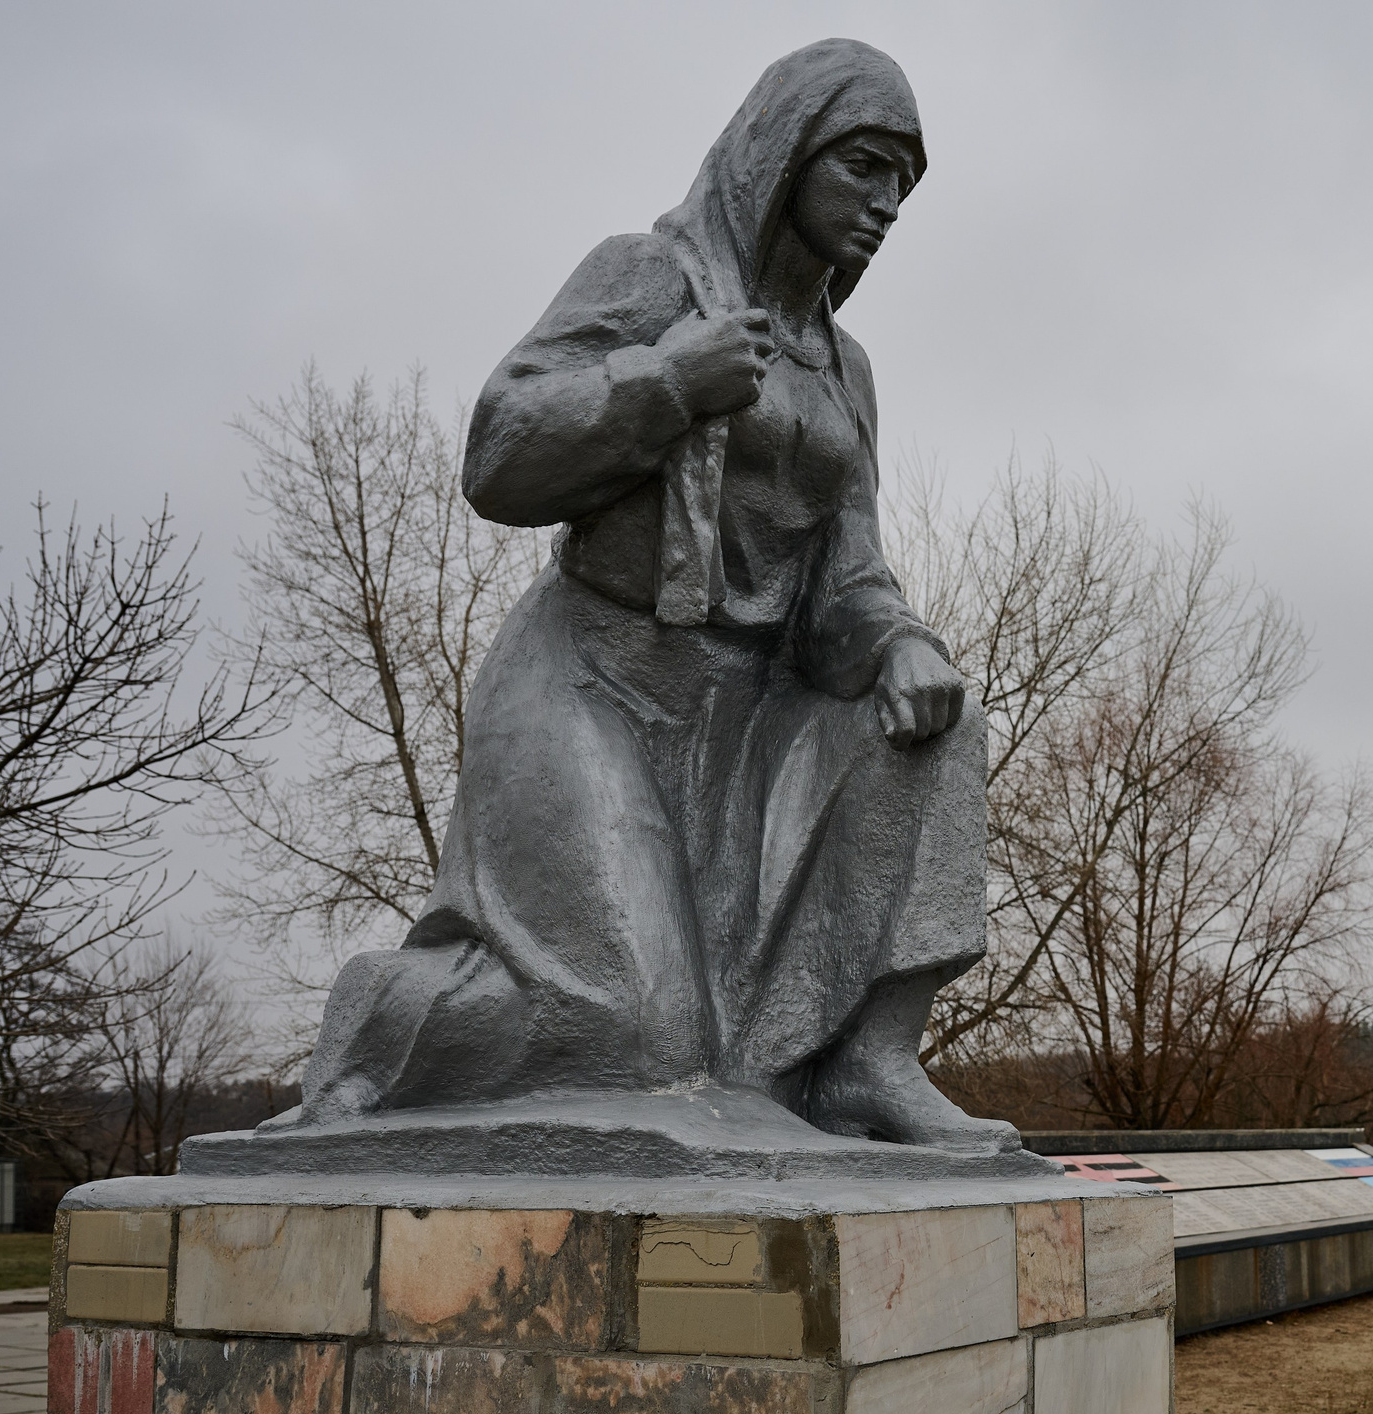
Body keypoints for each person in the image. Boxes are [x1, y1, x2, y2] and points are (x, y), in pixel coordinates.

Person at [286, 40, 1011, 1152]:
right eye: (864, 166)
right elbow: (500, 453)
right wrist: (669, 379)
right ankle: (384, 1027)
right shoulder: (647, 277)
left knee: (931, 729)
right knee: (636, 1035)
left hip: (748, 716)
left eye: (903, 182)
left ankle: (867, 1064)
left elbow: (847, 573)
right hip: (592, 686)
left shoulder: (845, 367)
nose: (887, 202)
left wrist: (902, 639)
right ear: (784, 153)